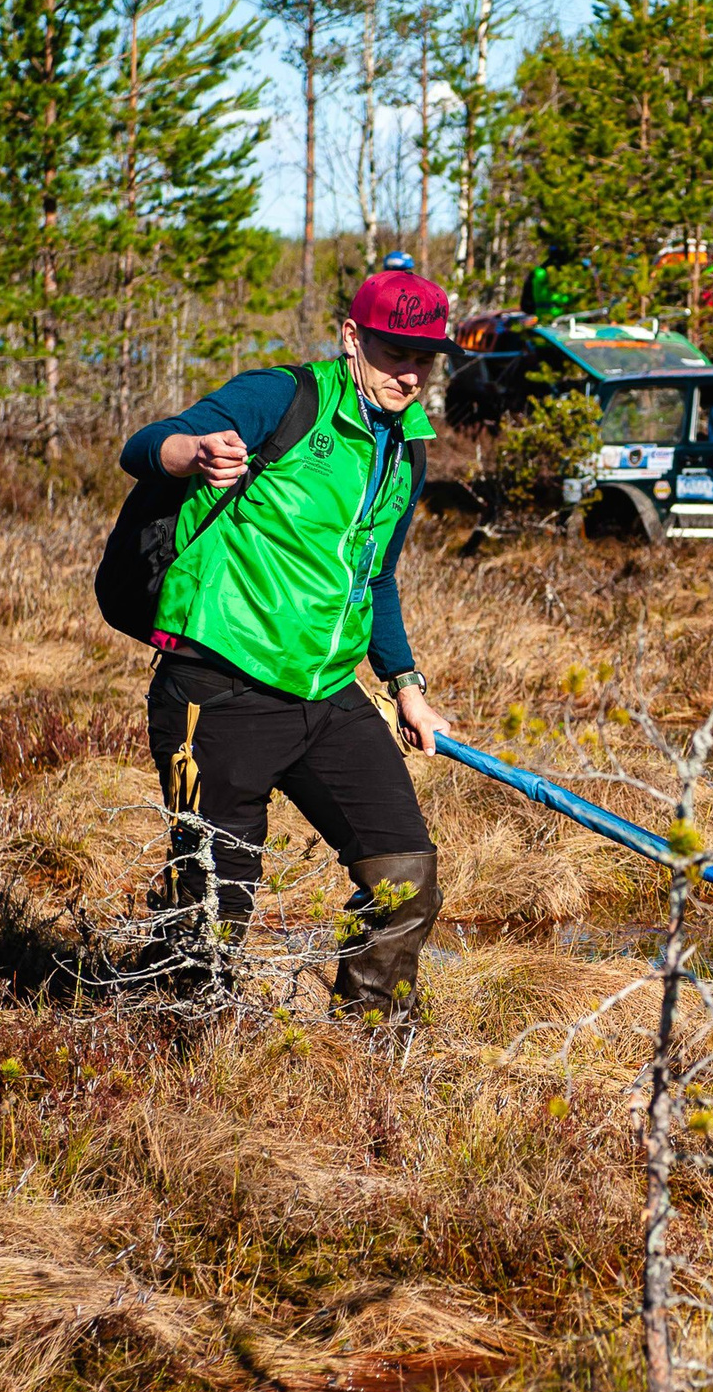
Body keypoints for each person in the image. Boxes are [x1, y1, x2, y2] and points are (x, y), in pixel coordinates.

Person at [119, 269, 465, 1023]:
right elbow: (141, 446)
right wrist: (195, 453)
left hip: (327, 693)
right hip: (220, 684)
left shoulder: (407, 451)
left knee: (405, 873)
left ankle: (369, 1051)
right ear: (352, 337)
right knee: (215, 897)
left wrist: (405, 682)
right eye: (393, 349)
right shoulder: (282, 398)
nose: (410, 370)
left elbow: (375, 578)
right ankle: (176, 1061)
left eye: (425, 356)